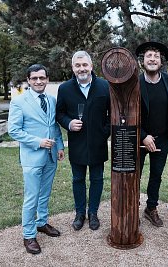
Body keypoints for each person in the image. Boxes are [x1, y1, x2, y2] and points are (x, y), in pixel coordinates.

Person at [8, 64, 65, 254]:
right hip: (32, 157)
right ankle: (29, 235)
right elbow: (14, 130)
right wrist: (38, 142)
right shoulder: (19, 102)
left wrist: (60, 146)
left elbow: (54, 125)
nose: (39, 81)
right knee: (31, 197)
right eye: (34, 78)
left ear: (47, 79)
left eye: (42, 78)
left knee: (45, 193)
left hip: (51, 156)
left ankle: (41, 223)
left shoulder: (51, 99)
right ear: (28, 80)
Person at [56, 51, 110, 231]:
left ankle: (93, 212)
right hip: (77, 143)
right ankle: (80, 213)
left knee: (97, 179)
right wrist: (69, 123)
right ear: (73, 68)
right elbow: (60, 114)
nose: (82, 69)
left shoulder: (104, 86)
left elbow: (113, 113)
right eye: (78, 66)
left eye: (85, 65)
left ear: (91, 66)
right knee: (78, 179)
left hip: (98, 142)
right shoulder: (65, 88)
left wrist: (106, 131)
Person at [135, 41, 168, 227]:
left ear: (161, 61)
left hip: (162, 139)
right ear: (142, 61)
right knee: (135, 175)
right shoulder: (134, 82)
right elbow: (127, 113)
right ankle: (133, 207)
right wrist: (143, 135)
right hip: (139, 138)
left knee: (156, 176)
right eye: (148, 56)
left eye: (156, 57)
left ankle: (151, 208)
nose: (152, 59)